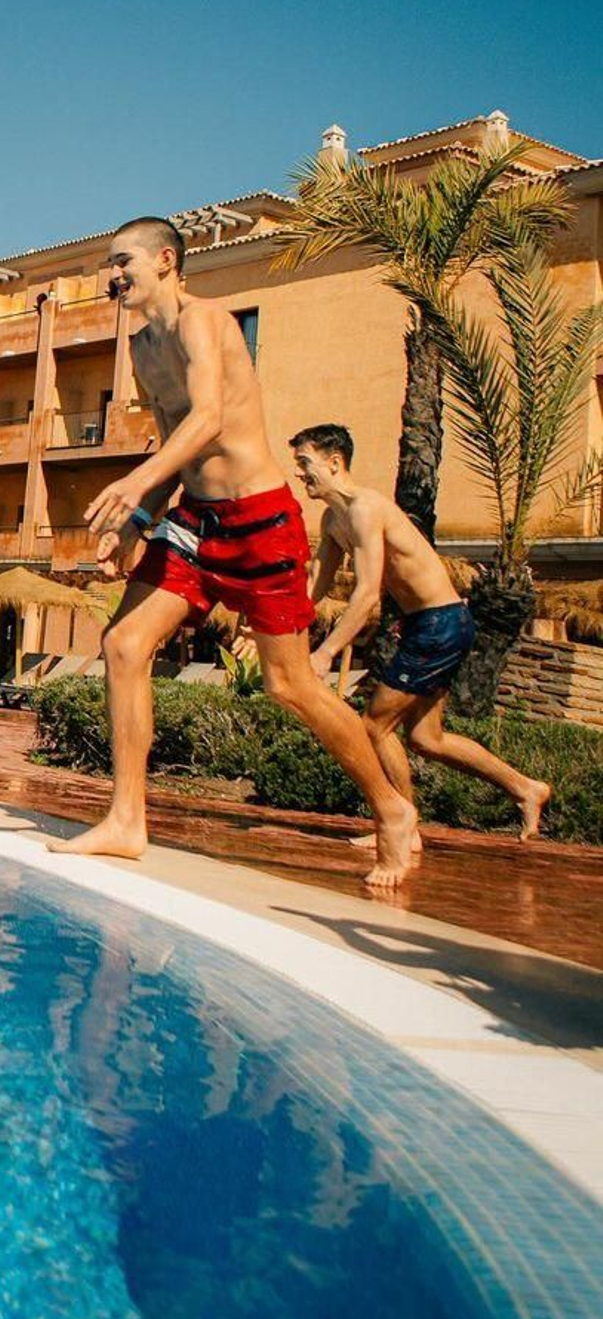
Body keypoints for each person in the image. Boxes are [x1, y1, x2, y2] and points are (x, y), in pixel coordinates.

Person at [76, 217, 418, 888]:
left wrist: (134, 483)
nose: (113, 275)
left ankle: (392, 807)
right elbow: (179, 442)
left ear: (167, 260)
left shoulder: (206, 322)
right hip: (195, 520)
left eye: (124, 261)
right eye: (109, 265)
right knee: (124, 644)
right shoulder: (143, 348)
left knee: (289, 684)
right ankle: (126, 819)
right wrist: (140, 519)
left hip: (259, 518)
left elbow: (209, 418)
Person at [291, 423, 550, 842]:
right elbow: (317, 583)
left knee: (374, 725)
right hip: (425, 625)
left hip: (441, 623)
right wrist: (280, 624)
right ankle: (526, 788)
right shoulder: (333, 518)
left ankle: (402, 827)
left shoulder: (365, 510)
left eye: (305, 463)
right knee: (427, 738)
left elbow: (368, 593)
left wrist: (325, 653)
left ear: (334, 463)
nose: (299, 474)